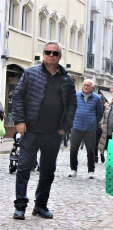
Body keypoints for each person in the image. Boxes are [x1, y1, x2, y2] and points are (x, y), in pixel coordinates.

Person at [12, 41, 77, 220]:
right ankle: (20, 206)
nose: (51, 55)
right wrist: (19, 121)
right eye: (48, 52)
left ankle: (40, 205)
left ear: (59, 57)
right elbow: (18, 97)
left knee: (47, 171)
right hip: (31, 130)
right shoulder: (30, 73)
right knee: (24, 168)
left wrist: (66, 126)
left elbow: (72, 104)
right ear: (43, 54)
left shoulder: (67, 78)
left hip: (54, 133)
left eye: (55, 53)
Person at [68, 79, 103, 179]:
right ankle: (73, 169)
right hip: (76, 127)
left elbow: (99, 113)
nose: (86, 87)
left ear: (92, 87)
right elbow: (71, 109)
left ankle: (91, 171)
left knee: (91, 151)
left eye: (88, 85)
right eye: (85, 85)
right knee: (73, 149)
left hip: (90, 129)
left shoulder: (97, 98)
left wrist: (93, 122)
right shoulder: (76, 96)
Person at [95, 93, 108, 163]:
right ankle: (101, 152)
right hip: (102, 126)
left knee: (95, 142)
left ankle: (96, 157)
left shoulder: (95, 106)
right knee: (102, 141)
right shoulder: (105, 107)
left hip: (96, 125)